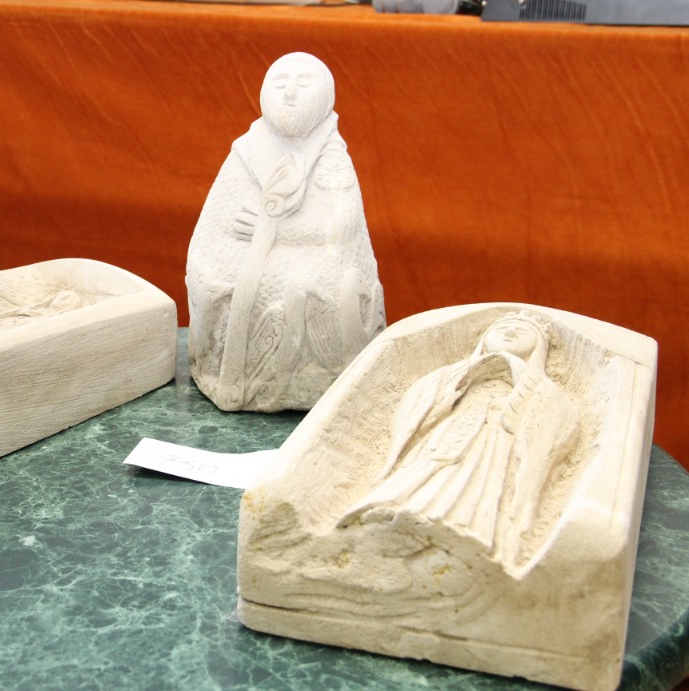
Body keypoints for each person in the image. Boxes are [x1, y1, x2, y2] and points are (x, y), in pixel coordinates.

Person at [185, 52, 384, 412]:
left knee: (308, 286)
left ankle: (300, 379)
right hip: (243, 264)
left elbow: (340, 227)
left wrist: (276, 228)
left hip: (314, 263)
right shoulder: (247, 150)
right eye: (279, 83)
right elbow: (216, 222)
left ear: (325, 95)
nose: (289, 92)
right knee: (218, 277)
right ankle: (224, 370)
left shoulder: (330, 155)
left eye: (303, 83)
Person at [340, 310, 580, 567]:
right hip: (448, 434)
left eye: (522, 332)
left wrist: (517, 382)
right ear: (485, 338)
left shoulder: (541, 386)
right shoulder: (451, 373)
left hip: (495, 442)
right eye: (502, 328)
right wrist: (464, 379)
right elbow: (421, 403)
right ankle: (396, 510)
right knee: (429, 469)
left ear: (538, 348)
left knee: (481, 481)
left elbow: (554, 421)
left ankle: (471, 531)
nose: (510, 332)